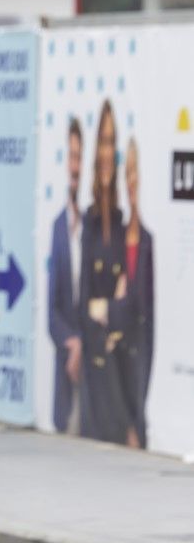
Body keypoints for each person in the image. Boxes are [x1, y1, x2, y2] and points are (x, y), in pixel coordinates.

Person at [79, 100, 132, 445]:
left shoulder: (127, 221)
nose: (106, 151)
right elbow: (85, 301)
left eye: (112, 142)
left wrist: (109, 310)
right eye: (102, 141)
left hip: (122, 368)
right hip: (95, 372)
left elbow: (130, 302)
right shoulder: (90, 220)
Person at [47, 117, 85, 435]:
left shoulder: (102, 227)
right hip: (66, 370)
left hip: (98, 378)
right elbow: (52, 309)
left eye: (80, 157)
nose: (75, 167)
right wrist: (71, 343)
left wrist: (84, 343)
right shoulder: (58, 226)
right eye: (70, 157)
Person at [121, 137, 154, 449]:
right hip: (112, 387)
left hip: (139, 379)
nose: (131, 181)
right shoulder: (110, 238)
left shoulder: (148, 242)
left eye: (136, 173)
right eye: (126, 172)